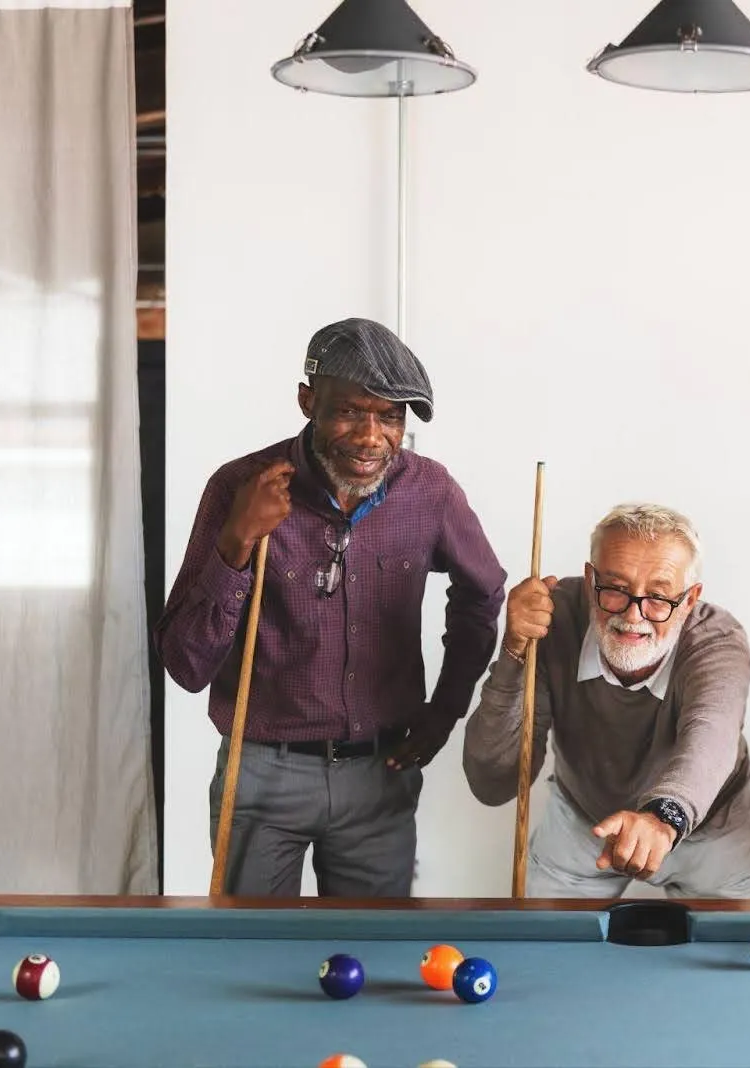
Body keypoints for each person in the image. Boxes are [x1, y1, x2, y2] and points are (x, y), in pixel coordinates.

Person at [156, 317, 506, 898]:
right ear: (307, 401)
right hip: (261, 773)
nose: (372, 437)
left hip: (380, 774)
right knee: (253, 961)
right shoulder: (238, 486)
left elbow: (483, 593)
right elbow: (186, 666)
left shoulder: (431, 491)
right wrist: (236, 542)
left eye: (390, 417)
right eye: (349, 411)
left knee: (372, 960)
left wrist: (445, 709)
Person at [462, 503, 750, 898]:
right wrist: (514, 651)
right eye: (616, 589)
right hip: (583, 820)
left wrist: (662, 817)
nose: (634, 615)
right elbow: (493, 783)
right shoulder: (551, 617)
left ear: (690, 600)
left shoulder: (719, 640)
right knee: (542, 951)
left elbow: (710, 739)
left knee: (728, 957)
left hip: (710, 832)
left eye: (658, 596)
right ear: (590, 581)